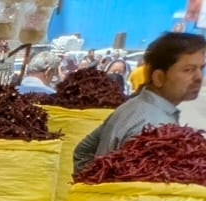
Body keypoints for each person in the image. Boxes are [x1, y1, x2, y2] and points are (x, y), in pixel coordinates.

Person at [74, 32, 205, 172]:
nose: (198, 77)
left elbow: (82, 151)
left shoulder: (130, 106)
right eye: (188, 70)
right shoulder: (154, 127)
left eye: (201, 68)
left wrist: (91, 187)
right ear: (159, 77)